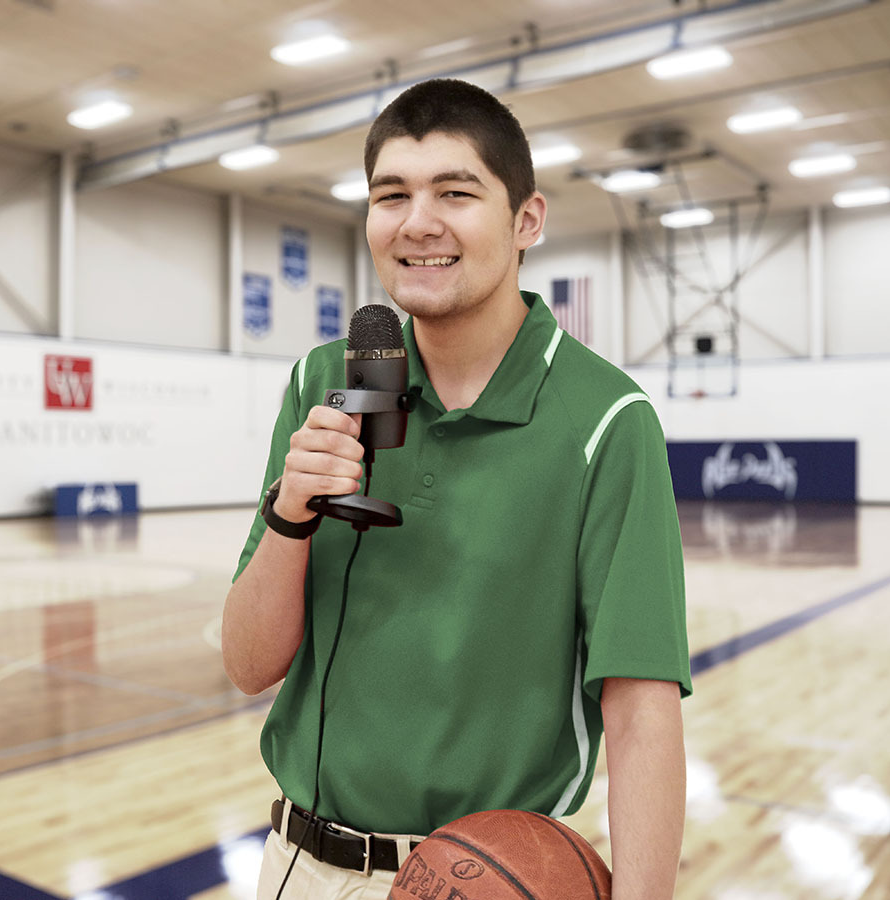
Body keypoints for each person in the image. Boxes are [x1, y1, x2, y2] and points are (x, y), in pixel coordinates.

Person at [222, 78, 692, 900]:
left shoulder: (607, 420)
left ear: (527, 221)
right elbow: (248, 664)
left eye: (456, 192)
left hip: (491, 880)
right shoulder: (324, 381)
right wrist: (290, 516)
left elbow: (641, 706)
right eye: (391, 194)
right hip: (295, 865)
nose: (418, 222)